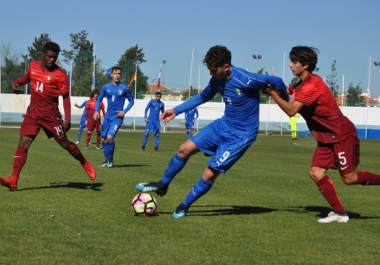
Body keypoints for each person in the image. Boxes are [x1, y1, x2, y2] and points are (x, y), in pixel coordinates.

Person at [135, 45, 289, 219]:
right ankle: (162, 184)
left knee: (210, 171)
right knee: (184, 149)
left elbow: (277, 82)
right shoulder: (217, 80)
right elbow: (202, 96)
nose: (211, 74)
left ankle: (184, 206)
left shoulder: (245, 79)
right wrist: (176, 110)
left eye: (213, 70)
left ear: (226, 66)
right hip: (223, 125)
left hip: (241, 136)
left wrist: (287, 98)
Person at [264, 45, 380, 223]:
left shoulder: (312, 85)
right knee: (316, 173)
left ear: (306, 65)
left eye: (294, 62)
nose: (290, 65)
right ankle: (340, 214)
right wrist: (267, 85)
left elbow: (291, 110)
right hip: (327, 138)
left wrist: (272, 93)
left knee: (349, 178)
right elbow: (287, 95)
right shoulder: (300, 84)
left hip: (341, 135)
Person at [0, 42, 96, 191]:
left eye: (54, 58)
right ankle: (13, 180)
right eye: (49, 56)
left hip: (51, 117)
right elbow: (27, 77)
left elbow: (66, 98)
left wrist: (68, 119)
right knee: (23, 143)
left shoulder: (60, 75)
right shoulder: (33, 66)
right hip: (33, 113)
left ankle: (84, 162)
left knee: (65, 144)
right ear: (43, 54)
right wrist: (16, 83)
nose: (52, 60)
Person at [94, 66, 134, 168]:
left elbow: (131, 101)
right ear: (111, 75)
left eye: (119, 74)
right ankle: (107, 160)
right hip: (108, 117)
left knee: (109, 137)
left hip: (117, 118)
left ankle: (110, 160)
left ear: (121, 75)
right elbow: (98, 100)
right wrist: (96, 111)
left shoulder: (125, 88)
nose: (117, 75)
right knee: (104, 139)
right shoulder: (106, 87)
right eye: (115, 73)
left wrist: (124, 111)